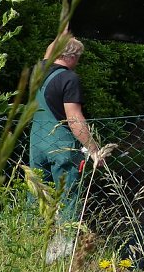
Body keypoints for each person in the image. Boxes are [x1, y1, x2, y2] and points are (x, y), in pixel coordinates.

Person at [29, 35, 102, 224]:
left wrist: (63, 33)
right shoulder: (69, 79)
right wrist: (94, 150)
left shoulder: (37, 71)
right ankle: (65, 238)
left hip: (36, 143)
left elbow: (48, 53)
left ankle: (31, 234)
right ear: (71, 56)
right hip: (62, 147)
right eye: (78, 58)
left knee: (37, 195)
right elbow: (74, 119)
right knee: (67, 198)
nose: (78, 62)